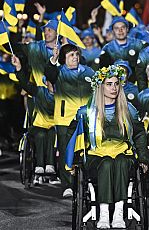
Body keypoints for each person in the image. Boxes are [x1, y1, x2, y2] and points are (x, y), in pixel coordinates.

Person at [74, 64, 149, 229]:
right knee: (107, 163)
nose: (114, 87)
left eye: (116, 83)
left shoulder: (129, 109)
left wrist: (143, 158)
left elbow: (139, 134)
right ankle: (104, 213)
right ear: (100, 86)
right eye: (109, 84)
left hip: (123, 153)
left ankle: (118, 213)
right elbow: (77, 137)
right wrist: (73, 160)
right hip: (96, 156)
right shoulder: (86, 112)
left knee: (121, 162)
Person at [44, 43, 95, 197]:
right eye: (71, 55)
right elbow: (49, 74)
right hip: (65, 118)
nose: (75, 57)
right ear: (63, 58)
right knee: (67, 151)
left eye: (76, 54)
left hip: (86, 117)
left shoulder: (89, 72)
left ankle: (86, 181)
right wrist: (53, 59)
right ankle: (67, 185)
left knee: (87, 149)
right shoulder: (59, 72)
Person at [11, 55, 56, 185]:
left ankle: (51, 166)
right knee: (41, 134)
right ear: (46, 82)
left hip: (54, 127)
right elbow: (25, 83)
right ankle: (40, 166)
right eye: (49, 82)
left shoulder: (62, 95)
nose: (52, 84)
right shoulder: (40, 91)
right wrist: (19, 68)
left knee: (52, 134)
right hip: (38, 126)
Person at [99, 16, 146, 82]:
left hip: (137, 85)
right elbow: (103, 72)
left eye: (123, 27)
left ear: (127, 29)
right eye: (116, 28)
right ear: (112, 31)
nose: (120, 30)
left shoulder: (138, 44)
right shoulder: (107, 49)